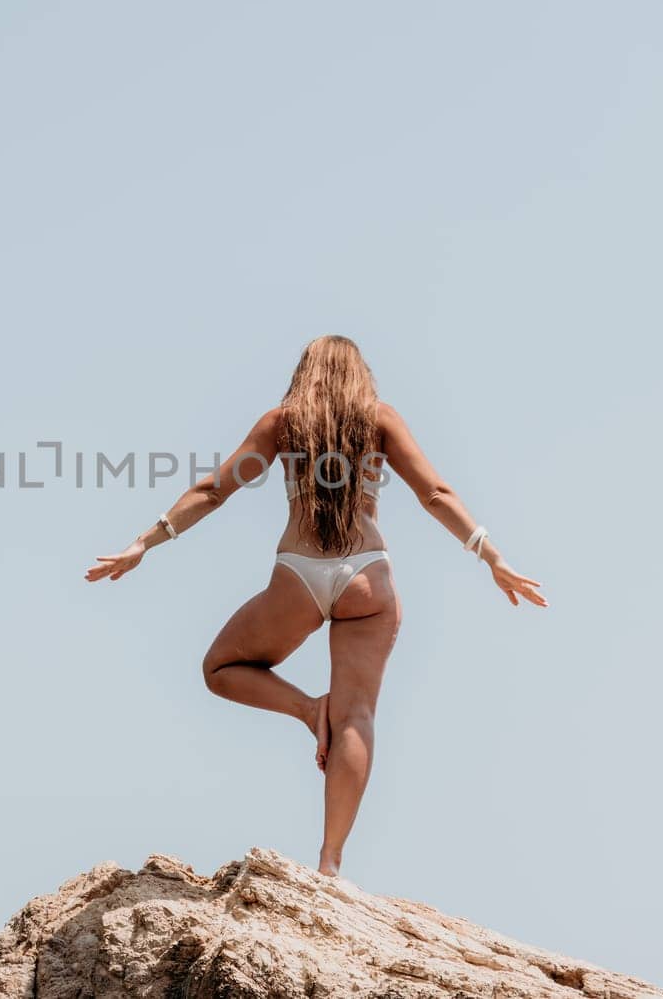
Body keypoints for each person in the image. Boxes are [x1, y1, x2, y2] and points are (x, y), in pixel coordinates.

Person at [84, 335, 546, 876]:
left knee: (219, 668)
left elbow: (213, 491)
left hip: (297, 576)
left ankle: (308, 710)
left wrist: (146, 540)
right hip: (366, 578)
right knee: (357, 716)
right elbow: (435, 493)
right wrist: (490, 554)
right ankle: (329, 863)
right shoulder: (380, 420)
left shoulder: (283, 423)